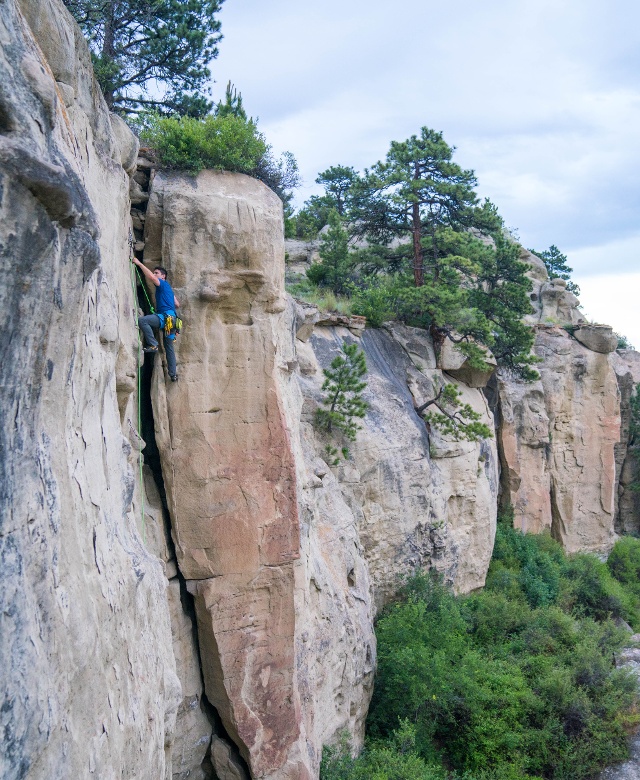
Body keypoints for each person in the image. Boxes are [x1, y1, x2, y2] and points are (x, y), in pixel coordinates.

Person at [132, 258, 181, 381]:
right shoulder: (169, 289)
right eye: (154, 273)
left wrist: (138, 263)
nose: (154, 275)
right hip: (173, 320)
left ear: (163, 276)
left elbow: (151, 278)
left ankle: (153, 344)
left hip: (166, 318)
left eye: (157, 273)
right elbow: (177, 304)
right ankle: (173, 374)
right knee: (169, 347)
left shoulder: (163, 284)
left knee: (143, 321)